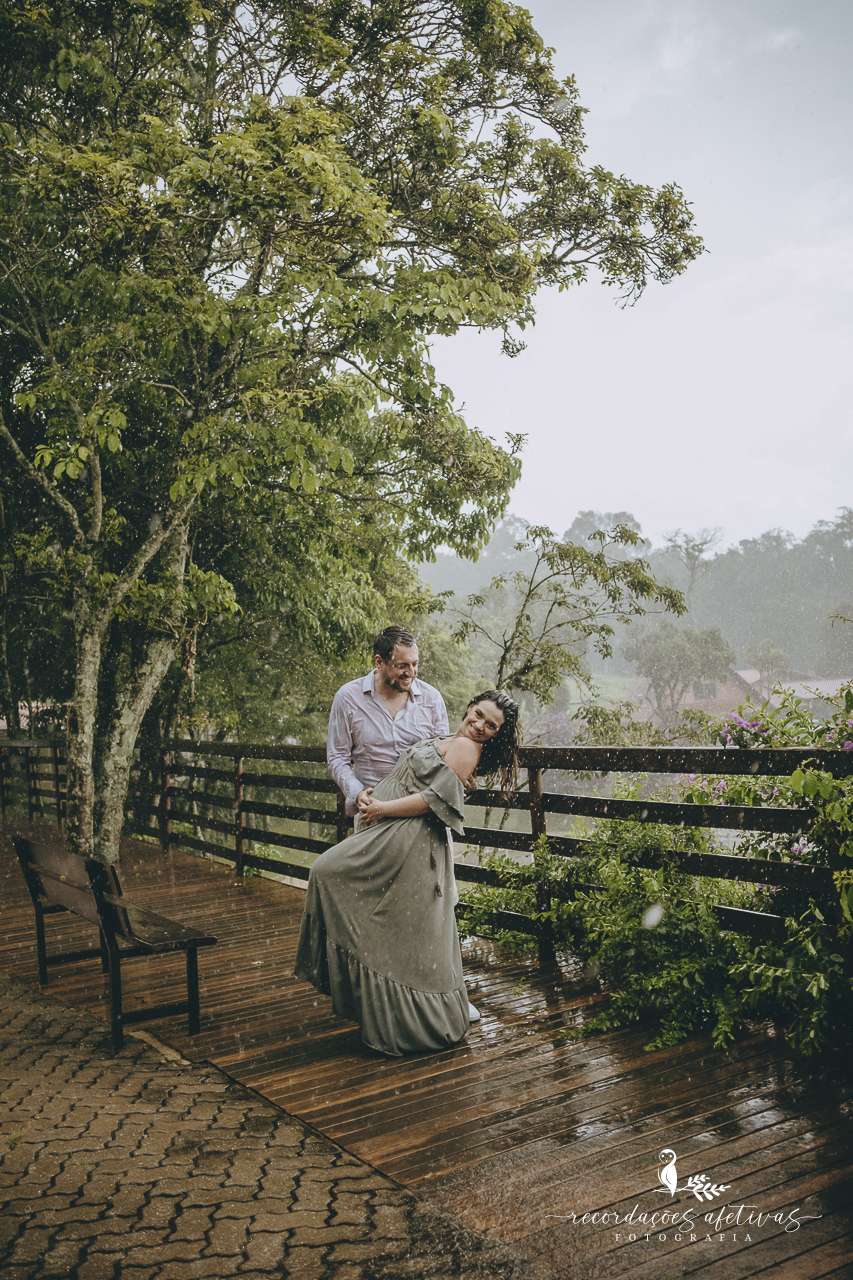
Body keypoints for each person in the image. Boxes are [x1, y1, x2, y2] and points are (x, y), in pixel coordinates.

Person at [295, 691, 520, 1057]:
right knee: (398, 926)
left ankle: (417, 1015)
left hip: (406, 839)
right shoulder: (454, 738)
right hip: (394, 834)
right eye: (478, 715)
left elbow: (431, 800)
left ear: (496, 734)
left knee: (328, 872)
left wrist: (382, 808)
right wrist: (372, 800)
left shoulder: (466, 748)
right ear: (470, 707)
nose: (479, 726)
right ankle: (392, 1008)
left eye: (490, 726)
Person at [326, 626, 449, 821]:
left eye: (414, 664)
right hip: (371, 812)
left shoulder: (432, 699)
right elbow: (337, 758)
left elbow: (444, 758)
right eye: (402, 666)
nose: (411, 673)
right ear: (379, 662)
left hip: (421, 814)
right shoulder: (347, 697)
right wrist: (358, 793)